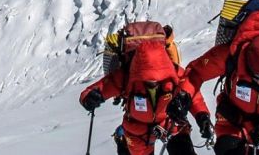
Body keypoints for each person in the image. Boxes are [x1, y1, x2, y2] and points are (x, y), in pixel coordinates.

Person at [167, 9, 259, 154]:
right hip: (231, 120)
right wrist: (183, 95)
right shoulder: (231, 55)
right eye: (254, 79)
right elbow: (196, 72)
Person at [80, 38, 213, 155]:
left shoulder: (175, 75)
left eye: (157, 79)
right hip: (137, 129)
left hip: (169, 122)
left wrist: (202, 116)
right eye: (147, 79)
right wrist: (88, 98)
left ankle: (123, 138)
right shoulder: (127, 76)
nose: (153, 83)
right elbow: (100, 87)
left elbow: (192, 95)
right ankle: (122, 139)